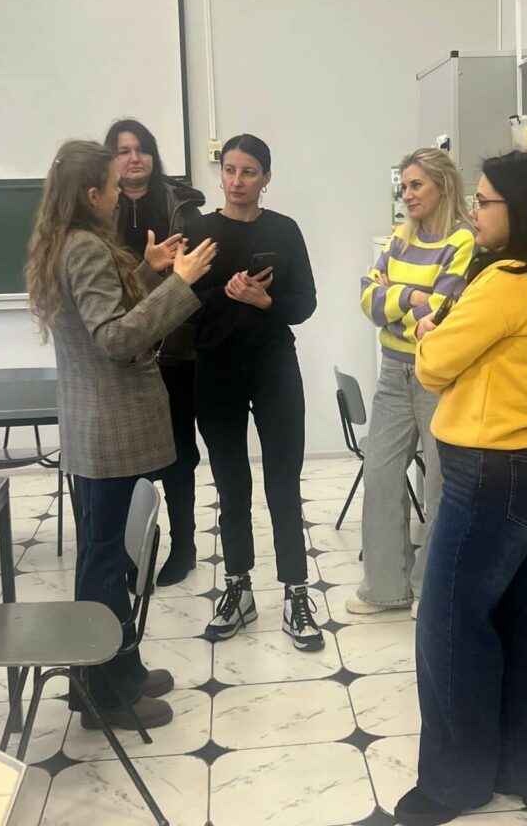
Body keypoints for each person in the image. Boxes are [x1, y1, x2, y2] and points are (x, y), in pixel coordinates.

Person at [394, 150, 527, 826]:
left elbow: (433, 366)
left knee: (450, 623)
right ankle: (526, 769)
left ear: (522, 210)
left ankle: (453, 786)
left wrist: (428, 328)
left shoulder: (507, 280)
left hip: (492, 474)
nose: (474, 211)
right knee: (521, 617)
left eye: (484, 201)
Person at [25, 139, 216, 730]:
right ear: (91, 194)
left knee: (105, 555)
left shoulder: (68, 241)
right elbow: (113, 338)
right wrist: (179, 283)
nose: (120, 192)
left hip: (98, 428)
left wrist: (145, 270)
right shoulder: (84, 247)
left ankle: (119, 672)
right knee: (107, 564)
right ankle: (104, 695)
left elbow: (98, 313)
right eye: (111, 185)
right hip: (109, 429)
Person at [187, 134, 322, 651]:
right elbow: (178, 298)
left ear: (266, 178)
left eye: (248, 172)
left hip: (273, 368)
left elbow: (305, 302)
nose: (236, 181)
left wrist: (266, 302)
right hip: (215, 369)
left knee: (283, 484)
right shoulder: (198, 230)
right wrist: (223, 294)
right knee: (231, 486)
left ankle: (296, 592)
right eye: (229, 169)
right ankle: (237, 588)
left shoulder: (284, 230)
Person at [347, 149, 475, 617]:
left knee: (441, 485)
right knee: (380, 475)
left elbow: (442, 315)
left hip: (437, 378)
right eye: (403, 186)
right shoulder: (401, 237)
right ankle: (384, 589)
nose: (406, 194)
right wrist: (412, 298)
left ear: (443, 185)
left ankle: (432, 591)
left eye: (416, 185)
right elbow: (367, 298)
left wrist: (396, 298)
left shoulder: (463, 240)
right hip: (393, 373)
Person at [103, 118, 206, 586]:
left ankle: (184, 546)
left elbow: (197, 278)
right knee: (128, 460)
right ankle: (133, 549)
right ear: (111, 160)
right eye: (123, 150)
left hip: (175, 350)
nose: (134, 158)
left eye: (141, 148)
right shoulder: (99, 212)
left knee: (180, 454)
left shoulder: (181, 206)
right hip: (121, 351)